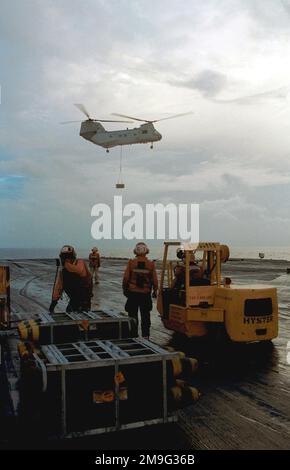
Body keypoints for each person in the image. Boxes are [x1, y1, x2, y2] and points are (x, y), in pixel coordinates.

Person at [122, 242, 158, 339]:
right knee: (145, 315)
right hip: (145, 295)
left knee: (132, 315)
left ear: (135, 251)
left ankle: (134, 335)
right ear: (146, 251)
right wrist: (155, 290)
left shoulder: (131, 263)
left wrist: (125, 290)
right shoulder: (151, 264)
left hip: (133, 294)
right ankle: (145, 336)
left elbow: (125, 278)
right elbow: (154, 280)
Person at [49, 245, 93, 313]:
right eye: (65, 257)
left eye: (69, 256)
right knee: (70, 312)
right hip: (74, 297)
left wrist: (66, 264)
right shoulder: (63, 270)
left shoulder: (80, 262)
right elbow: (59, 286)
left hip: (85, 296)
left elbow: (79, 270)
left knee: (82, 314)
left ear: (73, 256)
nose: (67, 259)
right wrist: (54, 302)